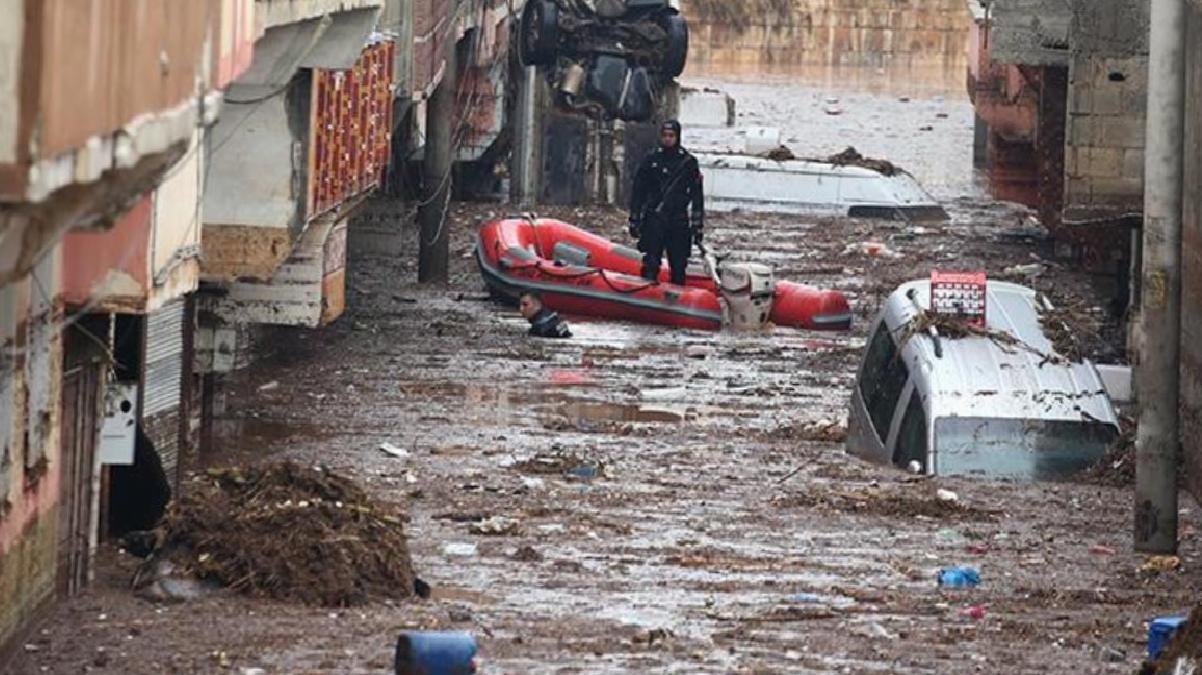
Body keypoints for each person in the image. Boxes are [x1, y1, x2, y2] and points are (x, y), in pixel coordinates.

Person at [628, 119, 705, 285]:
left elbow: (697, 196)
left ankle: (677, 296)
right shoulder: (651, 160)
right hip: (654, 218)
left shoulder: (688, 162)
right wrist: (634, 218)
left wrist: (697, 226)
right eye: (664, 135)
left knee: (678, 265)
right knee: (650, 263)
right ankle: (647, 294)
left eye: (671, 135)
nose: (668, 139)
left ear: (677, 137)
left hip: (678, 220)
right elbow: (638, 191)